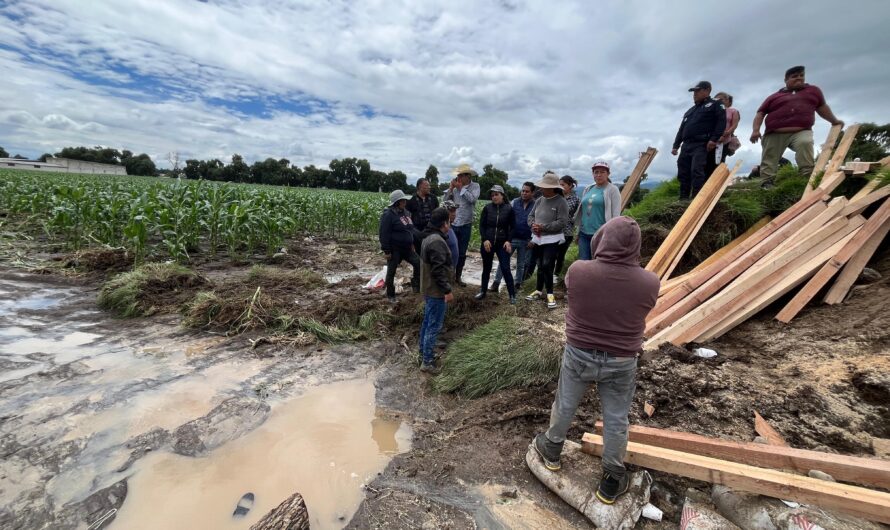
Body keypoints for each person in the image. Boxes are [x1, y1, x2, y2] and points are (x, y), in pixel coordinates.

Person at [531, 216, 659, 505]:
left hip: (580, 353)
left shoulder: (579, 271)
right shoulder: (650, 282)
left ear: (602, 239)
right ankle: (612, 477)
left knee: (565, 403)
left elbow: (574, 293)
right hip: (621, 360)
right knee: (616, 417)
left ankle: (552, 449)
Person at [751, 65, 844, 185]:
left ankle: (807, 177)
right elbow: (760, 113)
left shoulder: (813, 91)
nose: (799, 78)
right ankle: (767, 182)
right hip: (775, 132)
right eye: (794, 76)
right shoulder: (774, 97)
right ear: (786, 80)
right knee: (770, 157)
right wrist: (755, 130)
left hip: (801, 131)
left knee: (805, 143)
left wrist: (834, 121)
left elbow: (822, 107)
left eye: (801, 75)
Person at [672, 81, 726, 200]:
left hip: (702, 143)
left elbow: (721, 121)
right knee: (683, 171)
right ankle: (683, 198)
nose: (694, 94)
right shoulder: (690, 111)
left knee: (697, 170)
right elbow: (682, 129)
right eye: (694, 92)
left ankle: (696, 198)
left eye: (698, 91)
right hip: (686, 145)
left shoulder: (716, 104)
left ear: (707, 90)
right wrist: (676, 145)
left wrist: (714, 139)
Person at [418, 207, 454, 374]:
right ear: (444, 223)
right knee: (434, 326)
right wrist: (447, 290)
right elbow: (438, 270)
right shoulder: (437, 242)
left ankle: (423, 352)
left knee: (427, 322)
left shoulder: (429, 238)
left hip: (429, 288)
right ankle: (427, 361)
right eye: (449, 221)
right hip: (436, 291)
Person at [526, 171, 569, 309]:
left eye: (544, 187)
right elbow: (530, 216)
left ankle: (550, 294)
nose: (541, 189)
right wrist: (533, 225)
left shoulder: (561, 202)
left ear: (552, 188)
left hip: (552, 238)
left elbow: (562, 222)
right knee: (539, 265)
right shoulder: (539, 200)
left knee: (547, 265)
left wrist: (543, 227)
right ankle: (538, 291)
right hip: (538, 237)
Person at [492, 181, 536, 292]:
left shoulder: (536, 205)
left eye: (527, 191)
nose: (524, 193)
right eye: (523, 191)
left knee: (521, 264)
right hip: (512, 239)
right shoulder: (514, 202)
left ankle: (517, 284)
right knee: (503, 261)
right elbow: (506, 219)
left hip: (526, 240)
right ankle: (496, 283)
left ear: (532, 193)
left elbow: (538, 222)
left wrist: (533, 239)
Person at [476, 185, 517, 304]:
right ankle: (483, 291)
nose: (494, 197)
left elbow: (513, 227)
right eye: (492, 195)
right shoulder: (487, 208)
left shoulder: (509, 209)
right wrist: (485, 240)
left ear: (502, 195)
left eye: (496, 195)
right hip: (488, 243)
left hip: (502, 243)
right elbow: (482, 226)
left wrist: (508, 240)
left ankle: (512, 295)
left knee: (505, 268)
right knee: (486, 268)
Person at [378, 190, 420, 303]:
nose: (405, 202)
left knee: (418, 263)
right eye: (402, 200)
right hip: (394, 249)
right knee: (391, 271)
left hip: (407, 248)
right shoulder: (388, 215)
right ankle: (390, 295)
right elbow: (383, 233)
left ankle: (416, 285)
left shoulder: (405, 213)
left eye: (404, 200)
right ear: (397, 202)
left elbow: (409, 229)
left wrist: (411, 243)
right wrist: (386, 250)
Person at [575, 161, 622, 261]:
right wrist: (578, 232)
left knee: (599, 262)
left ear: (608, 174)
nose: (599, 175)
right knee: (584, 262)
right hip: (584, 233)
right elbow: (583, 212)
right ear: (593, 174)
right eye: (596, 172)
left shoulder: (613, 190)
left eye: (602, 172)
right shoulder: (588, 188)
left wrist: (612, 235)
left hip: (601, 234)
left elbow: (616, 215)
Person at [443, 164, 481, 286]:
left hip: (466, 224)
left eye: (460, 175)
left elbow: (472, 199)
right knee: (450, 251)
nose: (458, 177)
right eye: (458, 175)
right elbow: (445, 201)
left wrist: (461, 189)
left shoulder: (475, 186)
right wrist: (450, 189)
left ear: (467, 176)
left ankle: (458, 277)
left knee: (462, 253)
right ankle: (449, 276)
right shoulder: (454, 189)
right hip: (453, 224)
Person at [554, 175, 580, 283]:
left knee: (560, 255)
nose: (560, 187)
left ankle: (556, 276)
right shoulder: (555, 197)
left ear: (570, 186)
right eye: (559, 184)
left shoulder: (576, 199)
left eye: (563, 185)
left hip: (567, 232)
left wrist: (576, 229)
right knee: (551, 254)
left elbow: (578, 216)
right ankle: (547, 275)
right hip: (553, 230)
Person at [714, 92, 741, 164]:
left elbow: (734, 124)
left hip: (725, 139)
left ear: (727, 101)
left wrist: (727, 133)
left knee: (719, 161)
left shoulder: (733, 111)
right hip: (712, 139)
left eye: (721, 99)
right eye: (716, 99)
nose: (718, 101)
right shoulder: (713, 110)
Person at [442, 200, 460, 271]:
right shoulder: (442, 231)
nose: (454, 214)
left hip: (451, 270)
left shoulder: (450, 228)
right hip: (444, 270)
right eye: (451, 211)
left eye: (454, 211)